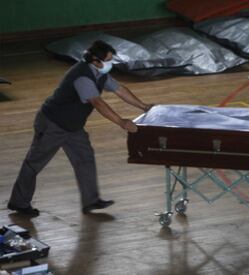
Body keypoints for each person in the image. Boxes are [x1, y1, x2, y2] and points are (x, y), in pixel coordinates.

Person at [7, 40, 153, 216]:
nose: (110, 64)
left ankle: (91, 201)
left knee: (85, 158)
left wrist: (143, 106)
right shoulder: (82, 76)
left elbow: (119, 89)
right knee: (34, 163)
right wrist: (121, 122)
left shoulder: (100, 73)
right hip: (53, 124)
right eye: (107, 60)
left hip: (73, 126)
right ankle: (19, 203)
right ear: (95, 61)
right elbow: (97, 102)